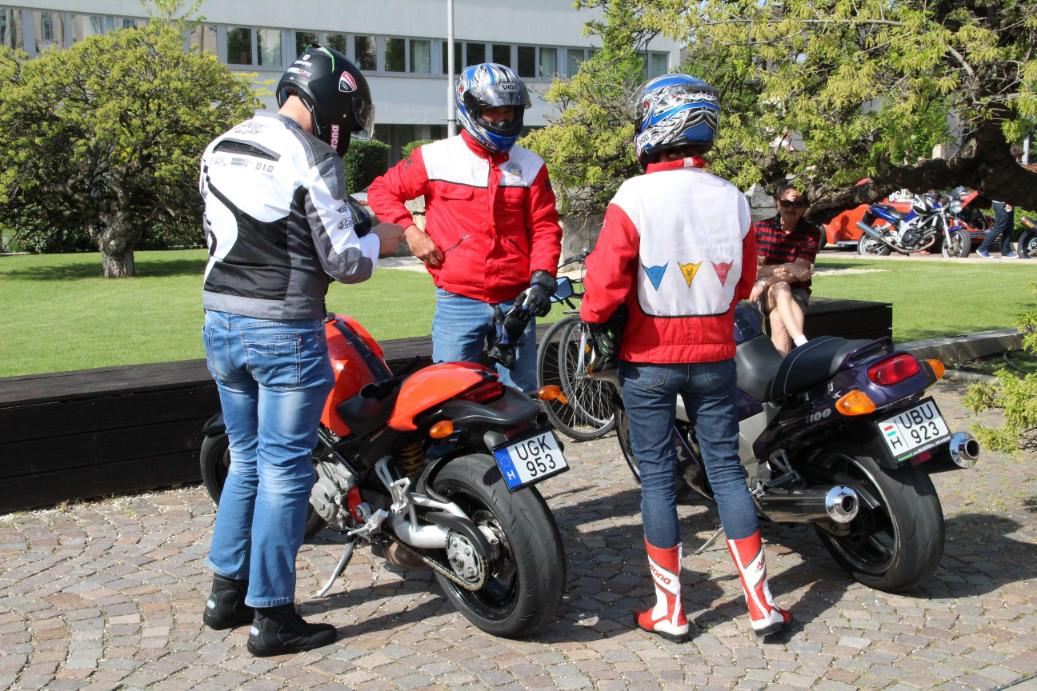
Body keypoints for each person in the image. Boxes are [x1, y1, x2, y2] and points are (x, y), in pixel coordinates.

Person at [198, 44, 402, 657]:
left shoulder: (221, 145)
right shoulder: (313, 155)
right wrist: (385, 241)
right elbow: (343, 261)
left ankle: (225, 595)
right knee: (286, 471)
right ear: (334, 104)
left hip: (220, 322)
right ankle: (273, 617)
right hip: (284, 330)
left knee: (246, 459)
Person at [579, 74, 791, 641]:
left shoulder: (633, 197)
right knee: (727, 470)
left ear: (652, 127)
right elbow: (744, 280)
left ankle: (669, 611)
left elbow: (603, 286)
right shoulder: (733, 197)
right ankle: (762, 605)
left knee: (656, 478)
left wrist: (594, 319)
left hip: (648, 357)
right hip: (716, 354)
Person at [367, 63, 562, 392]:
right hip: (457, 301)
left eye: (510, 112)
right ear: (470, 109)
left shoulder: (531, 166)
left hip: (516, 302)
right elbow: (382, 190)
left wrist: (543, 278)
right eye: (493, 111)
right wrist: (410, 232)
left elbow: (545, 227)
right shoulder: (435, 158)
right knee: (448, 395)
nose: (504, 120)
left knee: (520, 398)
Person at [749, 183, 820, 355]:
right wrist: (787, 266)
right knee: (781, 286)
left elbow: (800, 274)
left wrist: (766, 281)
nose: (791, 208)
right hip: (765, 295)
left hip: (795, 292)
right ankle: (802, 344)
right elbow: (756, 270)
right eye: (786, 203)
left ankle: (780, 368)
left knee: (778, 317)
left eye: (797, 204)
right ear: (777, 203)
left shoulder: (810, 233)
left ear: (804, 207)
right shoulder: (761, 229)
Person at [977, 146, 1023, 258]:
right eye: (1018, 157)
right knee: (1001, 226)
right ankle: (982, 248)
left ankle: (1006, 252)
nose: (1019, 159)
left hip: (1007, 202)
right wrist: (1008, 202)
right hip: (1002, 202)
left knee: (1009, 226)